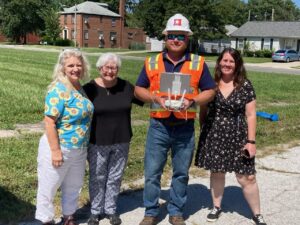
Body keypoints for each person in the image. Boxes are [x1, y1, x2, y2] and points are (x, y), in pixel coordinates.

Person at [135, 14, 216, 225]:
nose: (176, 40)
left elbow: (210, 91)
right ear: (165, 37)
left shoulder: (198, 62)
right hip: (159, 126)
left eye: (181, 35)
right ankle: (151, 212)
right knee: (152, 173)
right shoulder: (152, 61)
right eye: (172, 35)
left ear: (187, 38)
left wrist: (193, 101)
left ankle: (176, 211)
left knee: (181, 173)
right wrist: (153, 97)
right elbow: (138, 89)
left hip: (184, 126)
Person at [194, 48, 267, 225]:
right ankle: (216, 207)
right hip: (215, 135)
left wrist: (251, 141)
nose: (227, 64)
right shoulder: (210, 84)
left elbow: (251, 115)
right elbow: (203, 110)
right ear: (219, 62)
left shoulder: (245, 85)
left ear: (237, 64)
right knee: (217, 172)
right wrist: (204, 131)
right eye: (224, 60)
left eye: (231, 61)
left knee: (247, 176)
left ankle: (257, 214)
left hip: (239, 136)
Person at [35, 49, 94, 225]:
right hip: (59, 147)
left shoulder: (79, 88)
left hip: (79, 149)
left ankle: (69, 216)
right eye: (71, 65)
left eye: (78, 65)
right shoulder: (58, 89)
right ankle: (46, 220)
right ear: (62, 67)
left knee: (74, 186)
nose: (75, 69)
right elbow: (49, 122)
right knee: (49, 186)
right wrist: (55, 151)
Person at [83, 53, 142, 225]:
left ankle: (110, 210)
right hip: (97, 140)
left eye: (114, 67)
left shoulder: (126, 86)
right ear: (100, 68)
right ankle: (95, 211)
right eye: (107, 67)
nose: (110, 71)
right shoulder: (89, 88)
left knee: (115, 176)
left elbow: (145, 97)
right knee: (97, 176)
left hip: (122, 139)